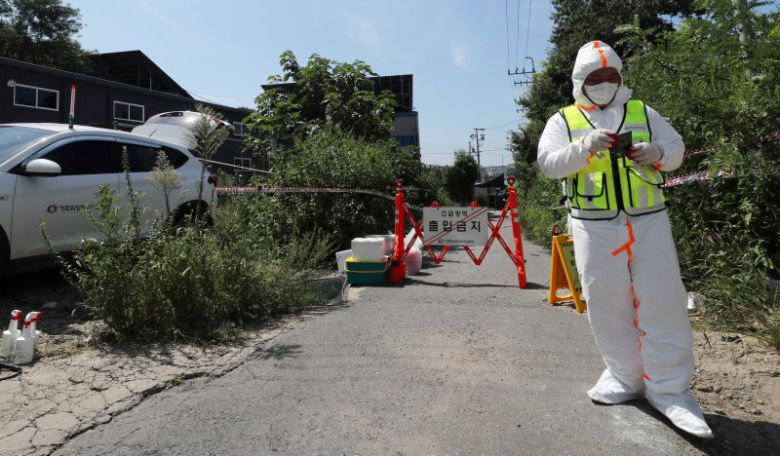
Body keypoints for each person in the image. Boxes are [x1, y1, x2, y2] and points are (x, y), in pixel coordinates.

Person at [537, 40, 713, 439]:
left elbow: (676, 149)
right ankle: (625, 377)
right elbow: (548, 164)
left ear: (620, 77)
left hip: (648, 220)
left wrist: (655, 152)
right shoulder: (562, 120)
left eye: (610, 76)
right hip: (592, 224)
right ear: (580, 81)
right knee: (605, 303)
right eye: (594, 78)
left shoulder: (643, 111)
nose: (603, 83)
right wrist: (584, 147)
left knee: (663, 300)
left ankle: (670, 390)